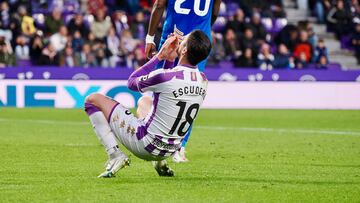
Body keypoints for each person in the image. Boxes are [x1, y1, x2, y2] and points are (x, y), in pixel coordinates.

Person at [84, 30, 211, 178]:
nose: (180, 40)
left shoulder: (165, 76)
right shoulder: (203, 80)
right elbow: (168, 88)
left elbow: (131, 82)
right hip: (171, 149)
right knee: (144, 101)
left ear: (184, 50)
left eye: (184, 40)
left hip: (146, 145)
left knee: (92, 100)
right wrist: (170, 59)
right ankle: (160, 162)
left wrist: (160, 56)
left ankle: (115, 155)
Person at [144, 0, 221, 163]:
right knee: (191, 94)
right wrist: (203, 31)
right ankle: (179, 147)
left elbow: (159, 5)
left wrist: (150, 38)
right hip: (197, 44)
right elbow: (214, 12)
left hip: (172, 37)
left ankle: (154, 140)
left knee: (160, 89)